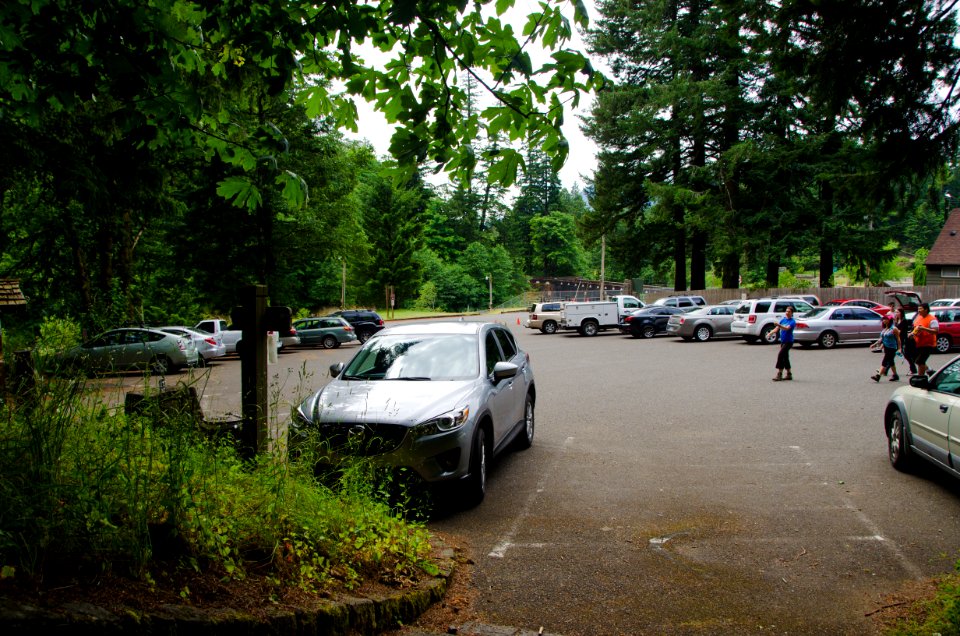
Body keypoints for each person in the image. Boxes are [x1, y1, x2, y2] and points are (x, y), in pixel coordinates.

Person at [910, 303, 939, 377]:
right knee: (917, 360)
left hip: (928, 344)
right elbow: (915, 328)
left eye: (920, 309)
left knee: (920, 361)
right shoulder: (918, 317)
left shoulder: (932, 319)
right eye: (918, 309)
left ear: (926, 310)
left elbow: (936, 331)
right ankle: (930, 372)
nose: (918, 310)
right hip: (919, 343)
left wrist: (924, 328)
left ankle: (921, 377)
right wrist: (912, 333)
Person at [870, 315, 901, 382]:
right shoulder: (885, 329)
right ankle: (895, 375)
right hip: (886, 347)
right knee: (891, 362)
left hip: (892, 348)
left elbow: (898, 339)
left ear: (889, 320)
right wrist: (875, 344)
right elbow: (881, 338)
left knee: (885, 361)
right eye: (883, 319)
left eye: (885, 319)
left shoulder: (894, 329)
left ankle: (878, 376)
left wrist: (899, 348)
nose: (884, 321)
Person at [771, 306, 796, 381]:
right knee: (785, 357)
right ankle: (789, 374)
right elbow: (777, 328)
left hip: (789, 342)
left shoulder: (792, 321)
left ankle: (779, 374)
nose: (787, 313)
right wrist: (771, 333)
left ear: (792, 313)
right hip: (783, 341)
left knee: (780, 355)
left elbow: (787, 328)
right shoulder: (783, 320)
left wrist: (778, 325)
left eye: (789, 311)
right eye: (786, 311)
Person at [894, 307, 917, 374]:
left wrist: (895, 331)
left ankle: (913, 369)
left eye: (898, 312)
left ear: (901, 313)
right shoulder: (897, 321)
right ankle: (885, 369)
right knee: (892, 354)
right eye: (896, 312)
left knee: (907, 355)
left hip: (903, 339)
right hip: (897, 339)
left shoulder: (904, 321)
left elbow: (900, 331)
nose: (896, 313)